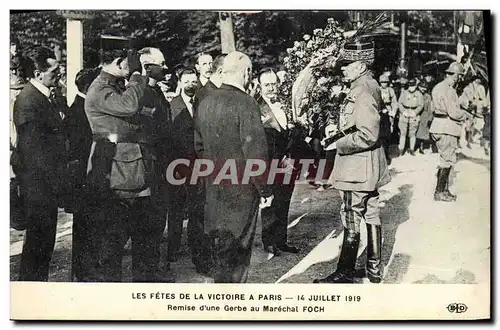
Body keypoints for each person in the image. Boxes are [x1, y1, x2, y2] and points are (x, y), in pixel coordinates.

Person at [314, 40, 390, 284]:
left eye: (346, 65)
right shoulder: (369, 85)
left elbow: (368, 134)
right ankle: (374, 270)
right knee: (371, 214)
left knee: (350, 216)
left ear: (360, 65)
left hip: (356, 168)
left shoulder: (362, 91)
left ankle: (345, 272)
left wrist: (338, 144)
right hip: (369, 167)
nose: (342, 69)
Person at [84, 44, 162, 282]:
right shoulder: (99, 89)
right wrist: (138, 77)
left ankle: (142, 290)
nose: (132, 70)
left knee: (144, 239)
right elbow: (129, 106)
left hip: (134, 173)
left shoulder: (115, 86)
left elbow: (141, 113)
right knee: (113, 243)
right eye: (129, 65)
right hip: (117, 176)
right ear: (118, 64)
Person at [194, 51, 273, 283]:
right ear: (247, 72)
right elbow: (255, 152)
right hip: (242, 189)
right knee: (239, 251)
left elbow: (198, 146)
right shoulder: (246, 102)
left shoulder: (205, 99)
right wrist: (265, 189)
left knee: (221, 247)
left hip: (214, 186)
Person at [14, 46, 66, 281]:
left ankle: (37, 288)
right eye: (54, 70)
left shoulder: (42, 97)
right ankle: (31, 293)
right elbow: (33, 150)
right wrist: (54, 181)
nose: (59, 73)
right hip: (39, 185)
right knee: (38, 245)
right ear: (38, 73)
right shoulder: (29, 100)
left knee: (44, 243)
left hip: (45, 184)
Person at [256, 68, 299, 256]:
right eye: (267, 85)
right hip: (269, 162)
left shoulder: (286, 105)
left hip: (288, 161)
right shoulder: (256, 107)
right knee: (270, 202)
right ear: (260, 86)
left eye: (274, 84)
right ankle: (269, 241)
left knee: (285, 200)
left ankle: (281, 240)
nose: (271, 88)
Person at [168, 68, 206, 274]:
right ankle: (173, 247)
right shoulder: (172, 106)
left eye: (194, 81)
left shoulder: (201, 104)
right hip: (178, 164)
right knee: (176, 208)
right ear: (180, 82)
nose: (191, 84)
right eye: (187, 81)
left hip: (199, 164)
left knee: (197, 207)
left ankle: (195, 246)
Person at [65, 67, 101, 281]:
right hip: (83, 179)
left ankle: (85, 268)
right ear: (89, 87)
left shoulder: (80, 107)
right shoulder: (79, 111)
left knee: (88, 224)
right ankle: (84, 271)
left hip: (85, 177)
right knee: (85, 225)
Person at [429, 62, 467, 202]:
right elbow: (454, 113)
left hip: (438, 126)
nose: (460, 79)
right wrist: (465, 114)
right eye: (460, 76)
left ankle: (443, 190)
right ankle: (439, 192)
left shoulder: (438, 87)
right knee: (447, 160)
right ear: (455, 75)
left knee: (445, 159)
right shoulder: (449, 90)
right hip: (447, 128)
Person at [397, 78, 424, 155]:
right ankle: (401, 149)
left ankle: (412, 149)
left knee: (413, 133)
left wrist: (415, 112)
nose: (411, 88)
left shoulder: (419, 94)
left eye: (413, 86)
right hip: (404, 113)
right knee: (403, 132)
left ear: (416, 86)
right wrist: (403, 111)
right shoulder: (404, 93)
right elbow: (399, 103)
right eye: (410, 86)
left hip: (414, 114)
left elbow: (421, 105)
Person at [379, 74, 397, 164]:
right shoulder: (378, 89)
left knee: (389, 131)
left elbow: (394, 102)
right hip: (380, 111)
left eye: (385, 82)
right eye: (382, 82)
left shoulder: (390, 90)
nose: (384, 84)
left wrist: (393, 112)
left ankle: (387, 153)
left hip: (388, 110)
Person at [415, 81, 434, 154]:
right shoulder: (415, 94)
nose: (423, 89)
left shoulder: (428, 96)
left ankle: (421, 147)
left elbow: (430, 108)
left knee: (423, 132)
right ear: (419, 87)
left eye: (425, 88)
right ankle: (412, 146)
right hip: (416, 114)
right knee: (414, 130)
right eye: (422, 87)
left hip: (424, 115)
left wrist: (430, 117)